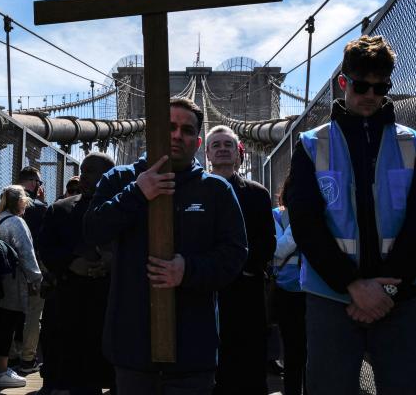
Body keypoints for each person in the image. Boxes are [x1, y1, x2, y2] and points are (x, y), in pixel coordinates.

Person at [287, 35, 416, 394]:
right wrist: (353, 286)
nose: (371, 95)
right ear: (343, 82)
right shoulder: (311, 144)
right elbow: (305, 224)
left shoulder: (413, 143)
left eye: (380, 87)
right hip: (333, 298)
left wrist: (383, 289)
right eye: (361, 85)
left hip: (398, 299)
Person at [84, 97, 247, 395]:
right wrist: (136, 193)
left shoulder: (216, 190)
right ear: (153, 131)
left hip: (193, 353)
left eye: (186, 130)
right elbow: (92, 231)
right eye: (169, 127)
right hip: (131, 349)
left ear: (197, 142)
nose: (177, 135)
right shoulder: (120, 180)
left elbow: (234, 255)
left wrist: (189, 270)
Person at [205, 125, 276, 395]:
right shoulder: (194, 192)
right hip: (207, 292)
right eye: (216, 145)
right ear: (207, 154)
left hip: (246, 290)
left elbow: (267, 243)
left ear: (238, 154)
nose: (223, 149)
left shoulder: (258, 193)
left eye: (228, 145)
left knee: (250, 363)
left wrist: (239, 269)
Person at [39, 153, 116, 395]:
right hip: (71, 307)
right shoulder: (59, 209)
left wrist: (113, 261)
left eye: (91, 171)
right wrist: (71, 263)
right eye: (83, 170)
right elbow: (45, 248)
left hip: (112, 308)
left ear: (109, 176)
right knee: (75, 377)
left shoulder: (130, 210)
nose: (83, 176)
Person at [0, 185, 42, 389]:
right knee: (7, 325)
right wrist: (36, 278)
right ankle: (1, 371)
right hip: (13, 282)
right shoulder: (17, 222)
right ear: (20, 202)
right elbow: (26, 253)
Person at [272, 176, 307, 395]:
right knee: (294, 352)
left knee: (316, 351)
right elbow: (277, 249)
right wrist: (304, 223)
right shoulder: (276, 215)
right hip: (288, 292)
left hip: (318, 291)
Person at [15, 166, 48, 374]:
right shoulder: (38, 207)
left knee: (11, 312)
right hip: (34, 268)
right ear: (34, 182)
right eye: (40, 182)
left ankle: (8, 357)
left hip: (10, 270)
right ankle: (27, 359)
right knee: (33, 314)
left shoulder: (6, 204)